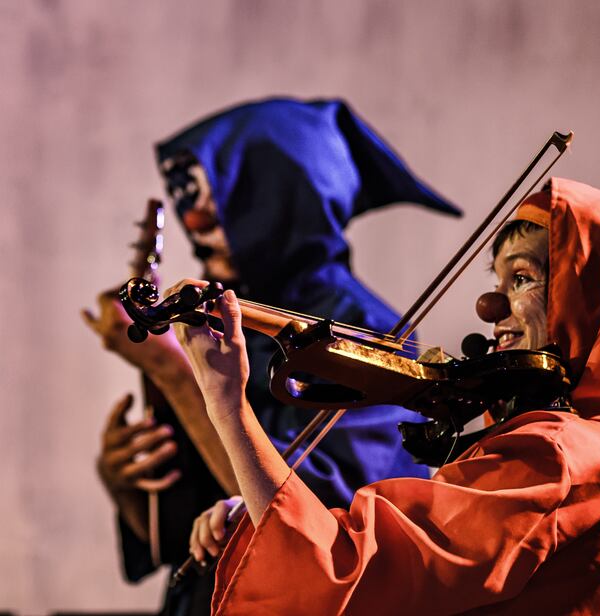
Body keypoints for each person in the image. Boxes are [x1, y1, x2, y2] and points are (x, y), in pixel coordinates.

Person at [171, 177, 600, 615]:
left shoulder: (561, 455)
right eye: (497, 282)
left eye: (522, 279)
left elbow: (350, 571)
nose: (490, 309)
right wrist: (258, 512)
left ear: (594, 296)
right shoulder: (587, 449)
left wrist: (228, 405)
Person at [82, 98, 460, 615]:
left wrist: (172, 371)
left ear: (284, 199)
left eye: (226, 197)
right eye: (189, 197)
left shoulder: (367, 330)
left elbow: (311, 524)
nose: (195, 221)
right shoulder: (222, 316)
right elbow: (187, 536)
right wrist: (129, 484)